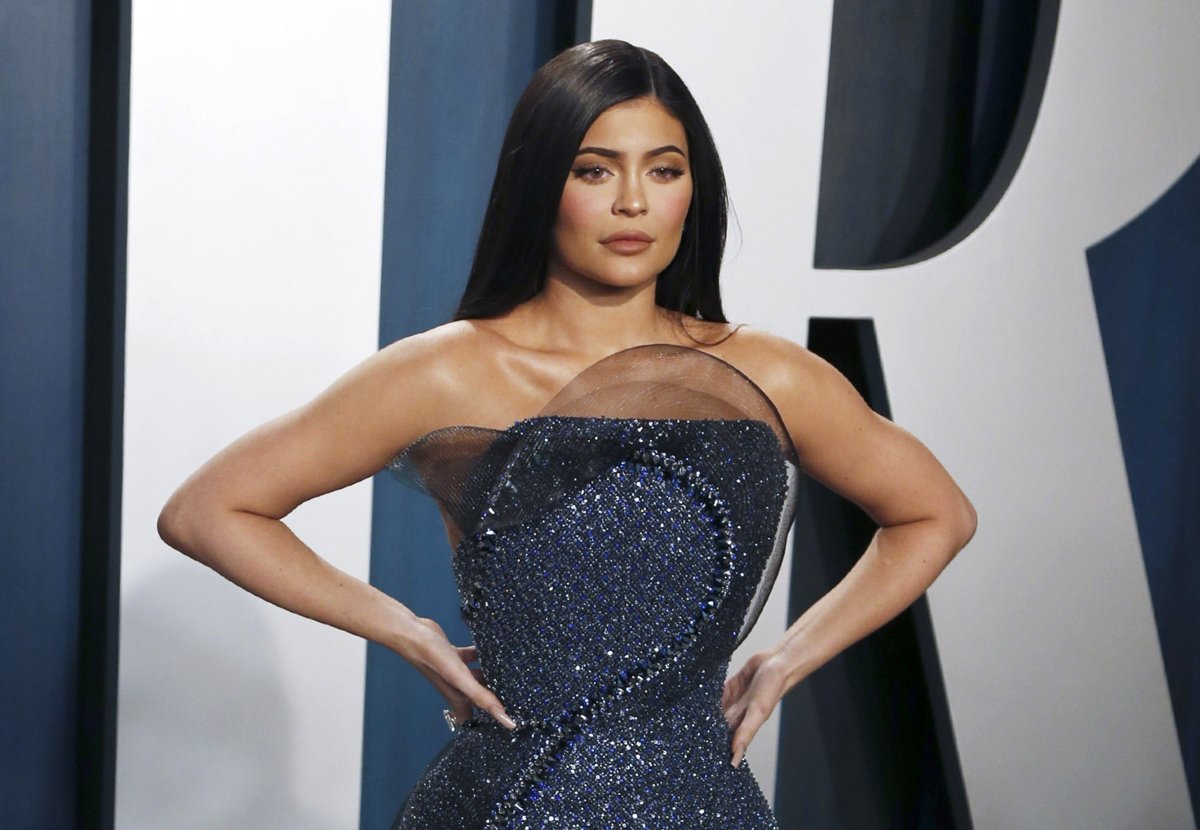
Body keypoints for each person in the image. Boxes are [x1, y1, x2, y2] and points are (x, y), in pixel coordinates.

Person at [158, 38, 976, 828]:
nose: (633, 202)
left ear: (694, 191)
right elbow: (206, 511)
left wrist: (789, 658)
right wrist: (405, 631)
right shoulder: (443, 372)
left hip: (698, 805)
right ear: (539, 181)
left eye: (665, 170)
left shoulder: (772, 374)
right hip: (505, 805)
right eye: (595, 170)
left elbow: (936, 513)